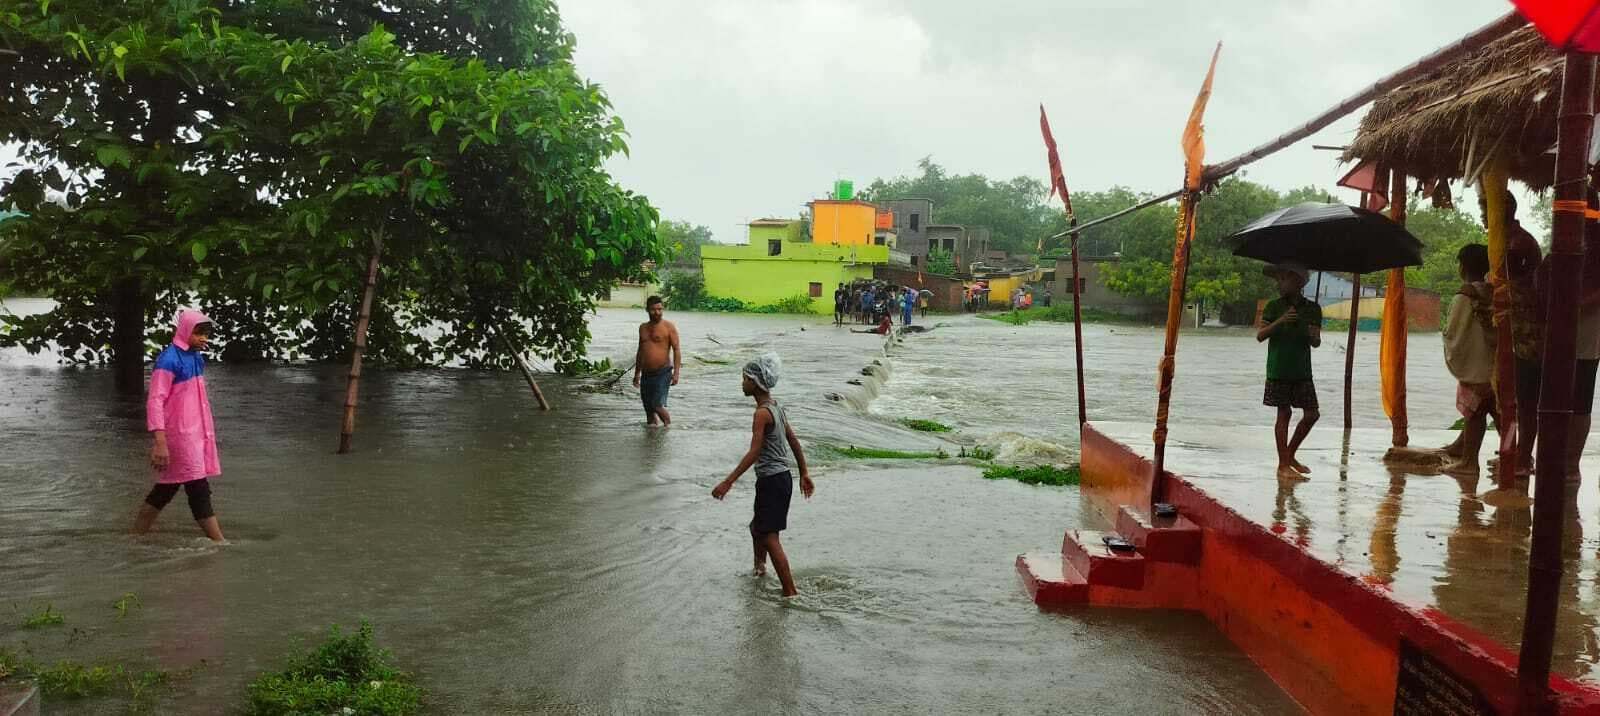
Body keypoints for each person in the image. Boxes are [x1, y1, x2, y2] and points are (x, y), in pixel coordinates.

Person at [712, 354, 814, 597]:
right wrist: (804, 472)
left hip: (771, 480)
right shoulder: (776, 407)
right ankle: (760, 569)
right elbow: (793, 441)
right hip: (782, 478)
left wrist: (728, 481)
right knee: (757, 528)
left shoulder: (761, 414)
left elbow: (754, 451)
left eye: (744, 378)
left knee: (769, 536)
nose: (742, 383)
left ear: (755, 382)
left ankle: (790, 591)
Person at [133, 310, 225, 542]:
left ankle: (134, 537)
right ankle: (220, 543)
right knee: (197, 488)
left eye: (206, 334)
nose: (204, 338)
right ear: (185, 331)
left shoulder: (196, 358)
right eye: (199, 333)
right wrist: (160, 442)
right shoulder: (169, 360)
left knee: (166, 489)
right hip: (179, 436)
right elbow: (155, 401)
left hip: (195, 435)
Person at [1256, 261, 1322, 480]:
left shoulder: (1313, 309)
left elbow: (1316, 343)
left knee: (1312, 414)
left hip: (1302, 369)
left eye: (1283, 279)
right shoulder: (1274, 306)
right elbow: (1260, 335)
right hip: (1279, 368)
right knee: (1283, 412)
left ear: (1299, 282)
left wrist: (1314, 336)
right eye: (1278, 280)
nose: (1279, 284)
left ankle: (1289, 455)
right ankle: (1283, 465)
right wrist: (1281, 321)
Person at [1442, 245, 1496, 477]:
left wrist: (1448, 342)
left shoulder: (1464, 295)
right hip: (1494, 364)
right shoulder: (1494, 291)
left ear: (1463, 267)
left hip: (1474, 364)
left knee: (1474, 413)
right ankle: (1514, 453)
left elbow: (1454, 331)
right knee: (1498, 410)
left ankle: (1469, 462)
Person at [632, 296, 681, 426]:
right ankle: (652, 441)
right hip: (646, 374)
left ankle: (668, 428)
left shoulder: (669, 327)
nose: (657, 312)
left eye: (659, 309)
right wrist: (637, 373)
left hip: (663, 372)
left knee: (657, 405)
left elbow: (676, 350)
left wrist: (676, 373)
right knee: (649, 410)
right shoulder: (642, 328)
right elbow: (640, 351)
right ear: (647, 310)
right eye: (653, 310)